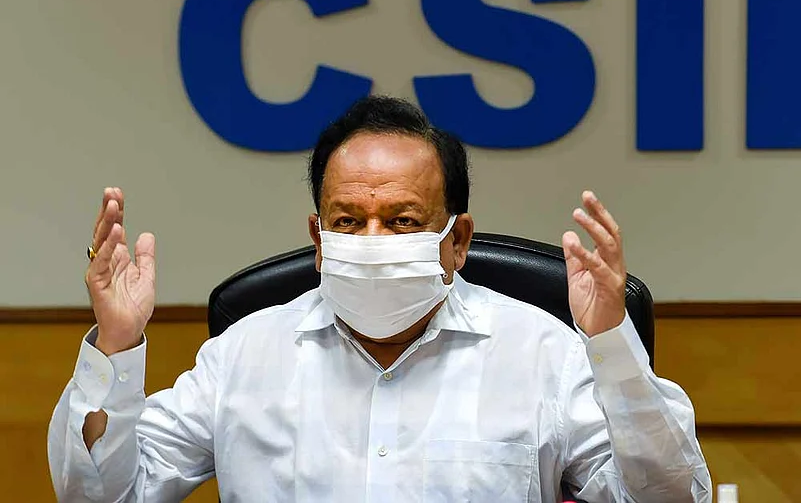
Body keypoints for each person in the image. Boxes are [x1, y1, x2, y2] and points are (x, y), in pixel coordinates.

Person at [48, 96, 711, 502]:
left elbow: (672, 499)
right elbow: (102, 496)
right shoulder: (243, 357)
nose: (371, 240)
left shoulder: (541, 353)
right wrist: (117, 345)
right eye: (347, 220)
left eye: (401, 222)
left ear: (457, 241)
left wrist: (610, 344)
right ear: (317, 239)